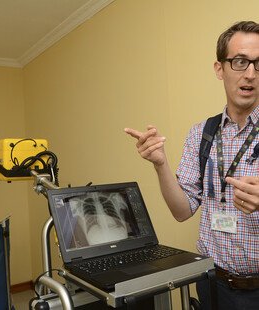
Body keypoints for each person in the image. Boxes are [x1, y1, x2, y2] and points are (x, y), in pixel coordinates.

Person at [125, 21, 259, 310]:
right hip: (211, 283)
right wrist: (160, 164)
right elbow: (181, 211)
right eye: (240, 62)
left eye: (258, 64)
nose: (250, 73)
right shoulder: (201, 133)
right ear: (219, 69)